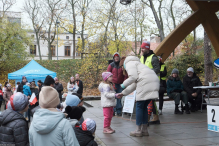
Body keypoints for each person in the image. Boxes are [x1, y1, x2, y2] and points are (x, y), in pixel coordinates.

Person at [117, 56, 160, 137]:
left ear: (123, 65)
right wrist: (123, 93)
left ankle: (138, 130)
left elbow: (133, 77)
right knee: (144, 107)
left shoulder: (129, 63)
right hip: (154, 81)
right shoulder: (139, 64)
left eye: (122, 67)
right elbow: (134, 84)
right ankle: (144, 130)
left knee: (139, 106)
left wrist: (123, 85)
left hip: (145, 82)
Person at [140, 41, 161, 124]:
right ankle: (155, 117)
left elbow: (157, 69)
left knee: (149, 99)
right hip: (145, 82)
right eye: (141, 48)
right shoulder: (142, 57)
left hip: (153, 82)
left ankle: (147, 118)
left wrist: (147, 73)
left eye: (143, 48)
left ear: (147, 49)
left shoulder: (154, 58)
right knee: (150, 99)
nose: (141, 49)